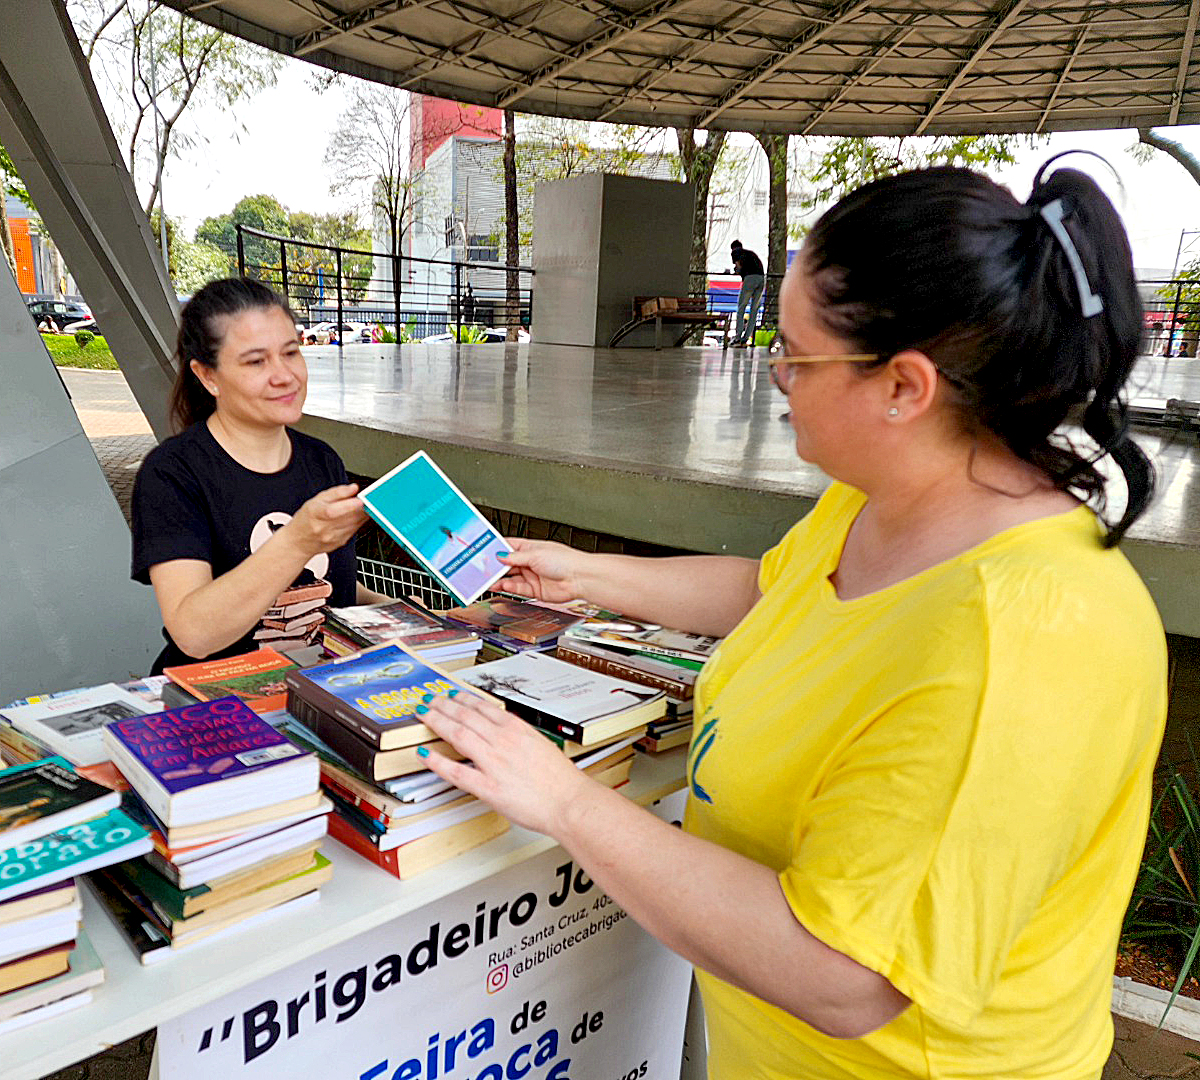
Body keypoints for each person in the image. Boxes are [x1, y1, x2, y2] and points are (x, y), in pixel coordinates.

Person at [416, 159, 1166, 1079]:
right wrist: (588, 574)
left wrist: (566, 801)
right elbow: (775, 594)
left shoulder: (1021, 641)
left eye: (799, 356)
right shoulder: (890, 498)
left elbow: (845, 974)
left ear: (905, 387)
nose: (775, 376)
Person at [131, 278, 384, 674]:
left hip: (322, 689)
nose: (284, 376)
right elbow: (193, 633)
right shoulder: (173, 473)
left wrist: (416, 616)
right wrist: (298, 541)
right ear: (208, 376)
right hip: (217, 706)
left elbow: (333, 587)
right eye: (255, 361)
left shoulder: (322, 461)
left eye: (291, 352)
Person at [729, 239, 765, 347]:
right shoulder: (751, 253)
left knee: (741, 308)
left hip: (750, 278)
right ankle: (746, 337)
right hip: (761, 278)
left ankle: (738, 336)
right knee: (754, 310)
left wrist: (737, 271)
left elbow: (739, 266)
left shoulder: (736, 252)